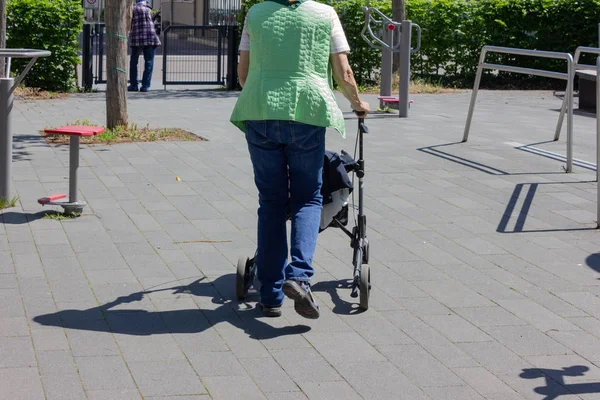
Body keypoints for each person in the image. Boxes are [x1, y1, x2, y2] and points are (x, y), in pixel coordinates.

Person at [230, 0, 371, 319]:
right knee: (308, 197)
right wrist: (358, 103)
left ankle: (270, 296)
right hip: (307, 112)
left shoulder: (256, 13)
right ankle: (299, 276)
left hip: (260, 110)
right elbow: (343, 71)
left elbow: (243, 74)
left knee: (271, 202)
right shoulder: (325, 14)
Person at [128, 0, 161, 92]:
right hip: (150, 38)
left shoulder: (132, 9)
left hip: (137, 39)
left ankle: (134, 85)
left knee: (134, 62)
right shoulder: (149, 10)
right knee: (149, 62)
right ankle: (145, 86)